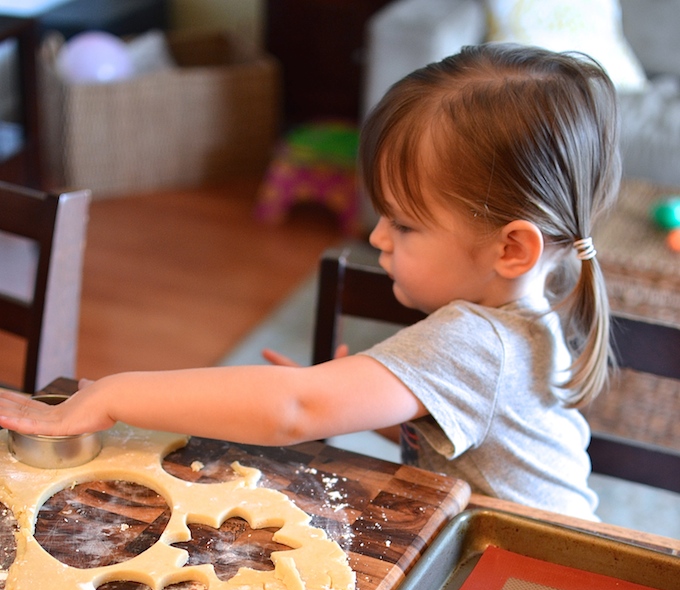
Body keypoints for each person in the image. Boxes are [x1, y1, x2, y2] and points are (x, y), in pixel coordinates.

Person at [0, 44, 621, 520]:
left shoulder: (473, 338)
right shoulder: (532, 308)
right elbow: (480, 432)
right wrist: (379, 411)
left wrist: (111, 395)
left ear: (511, 248)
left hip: (535, 564)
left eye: (404, 225)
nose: (377, 238)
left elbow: (292, 409)